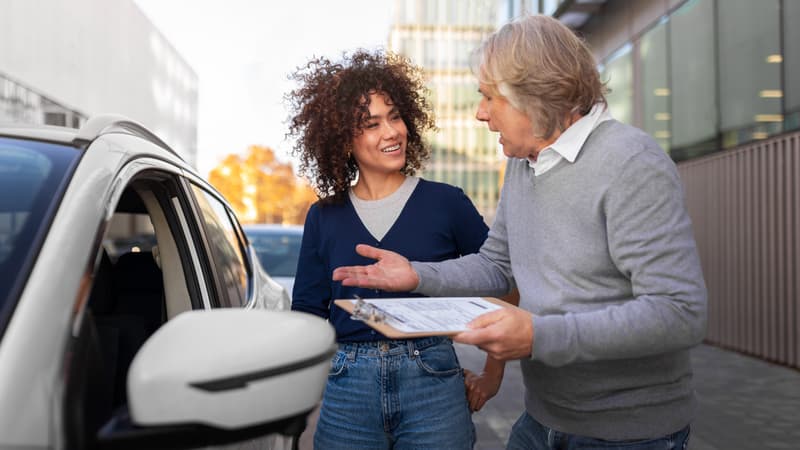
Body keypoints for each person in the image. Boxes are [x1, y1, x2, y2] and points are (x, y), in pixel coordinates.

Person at [333, 15, 708, 450]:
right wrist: (418, 276)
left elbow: (679, 312)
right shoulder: (523, 162)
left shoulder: (631, 163)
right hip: (543, 419)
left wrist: (537, 335)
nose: (480, 113)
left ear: (534, 97)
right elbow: (498, 266)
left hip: (629, 434)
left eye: (489, 97)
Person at [286, 49, 510, 450]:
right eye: (372, 124)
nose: (392, 132)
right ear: (343, 140)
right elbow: (306, 313)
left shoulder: (447, 203)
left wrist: (493, 373)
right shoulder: (324, 215)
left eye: (394, 117)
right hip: (347, 387)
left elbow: (504, 283)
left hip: (433, 381)